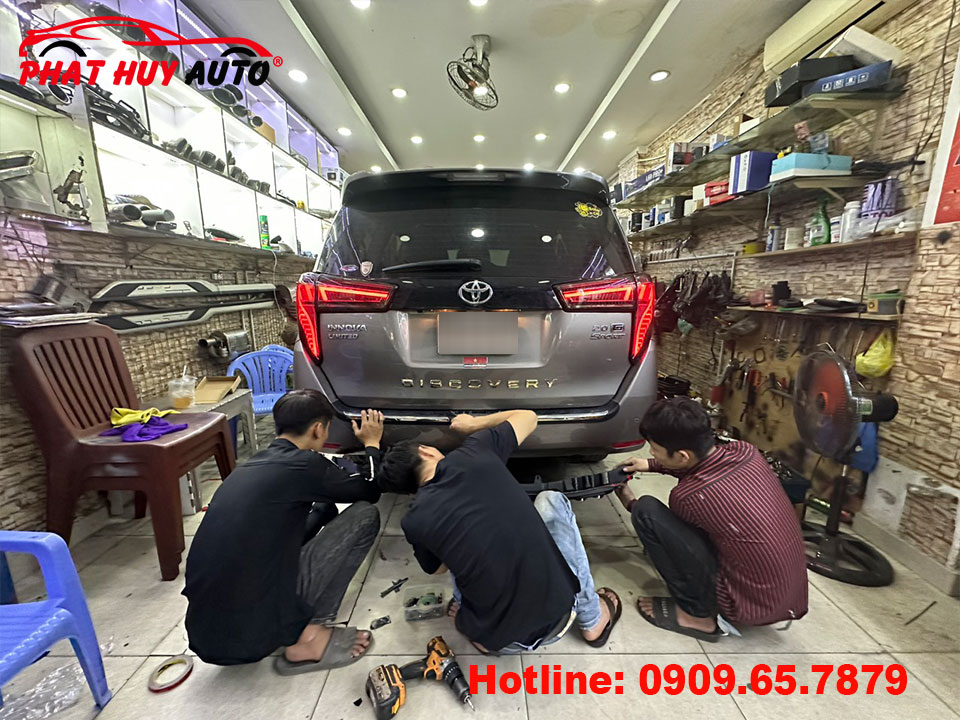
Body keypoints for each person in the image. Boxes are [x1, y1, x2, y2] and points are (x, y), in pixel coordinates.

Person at [377, 409, 621, 654]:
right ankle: (592, 620)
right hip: (559, 617)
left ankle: (480, 636)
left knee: (453, 547)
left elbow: (439, 569)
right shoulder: (475, 451)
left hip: (496, 639)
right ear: (426, 451)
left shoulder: (413, 520)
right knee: (551, 499)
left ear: (409, 491)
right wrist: (474, 424)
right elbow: (529, 417)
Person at [183, 389, 385, 673]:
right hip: (253, 636)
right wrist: (372, 444)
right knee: (365, 515)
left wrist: (322, 512)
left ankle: (289, 624)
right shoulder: (306, 464)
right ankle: (307, 636)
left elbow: (280, 535)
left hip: (208, 635)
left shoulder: (249, 467)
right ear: (318, 429)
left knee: (320, 511)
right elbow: (371, 490)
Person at [613, 397, 808, 642]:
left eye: (655, 450)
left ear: (682, 456)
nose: (652, 452)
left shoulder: (689, 497)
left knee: (646, 512)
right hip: (787, 595)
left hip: (744, 603)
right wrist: (651, 465)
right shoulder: (745, 451)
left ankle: (697, 615)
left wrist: (630, 502)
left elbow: (684, 543)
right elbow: (698, 465)